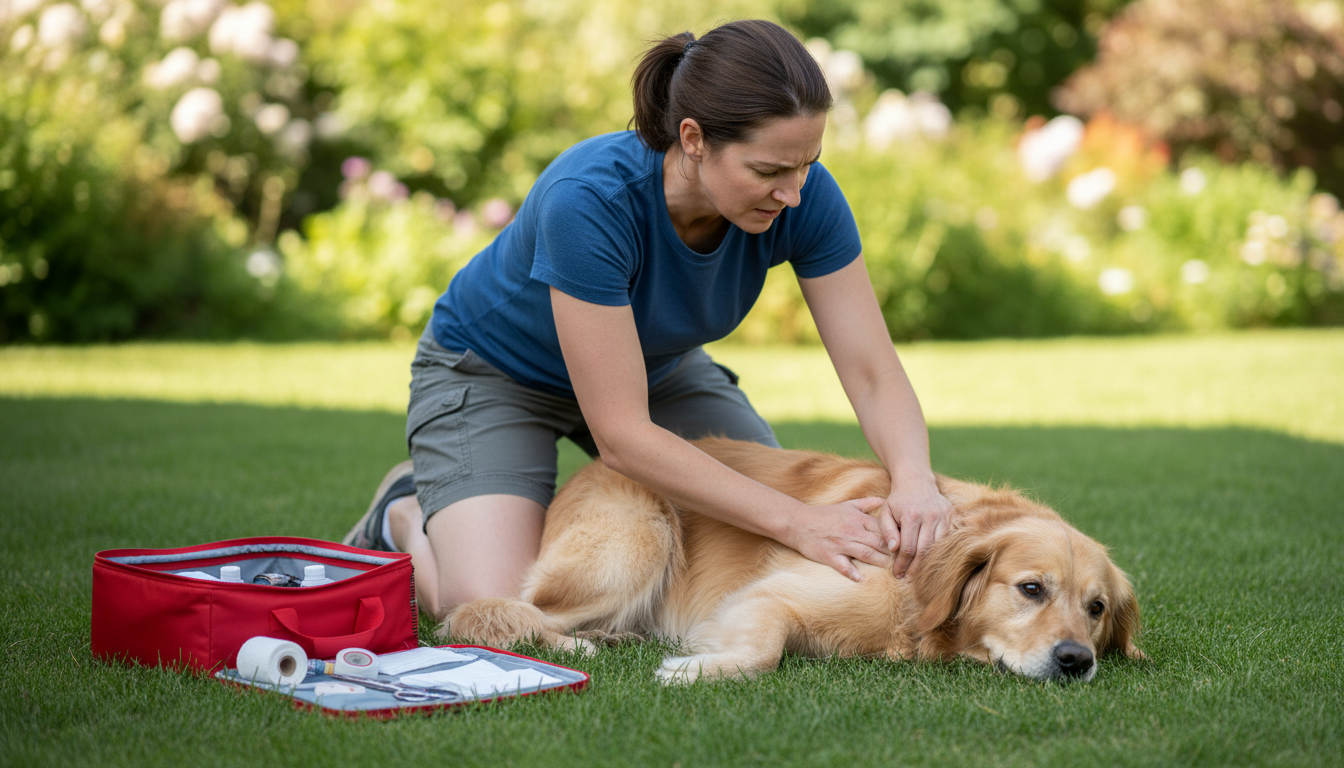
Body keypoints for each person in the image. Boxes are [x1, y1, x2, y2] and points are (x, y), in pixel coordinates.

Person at [343, 19, 956, 621]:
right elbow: (621, 434)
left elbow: (873, 371)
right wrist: (796, 518)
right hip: (493, 375)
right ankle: (403, 513)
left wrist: (913, 479)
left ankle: (492, 509)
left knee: (748, 529)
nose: (793, 193)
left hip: (651, 368)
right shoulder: (589, 199)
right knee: (495, 606)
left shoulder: (807, 197)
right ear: (692, 138)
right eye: (768, 171)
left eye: (806, 165)